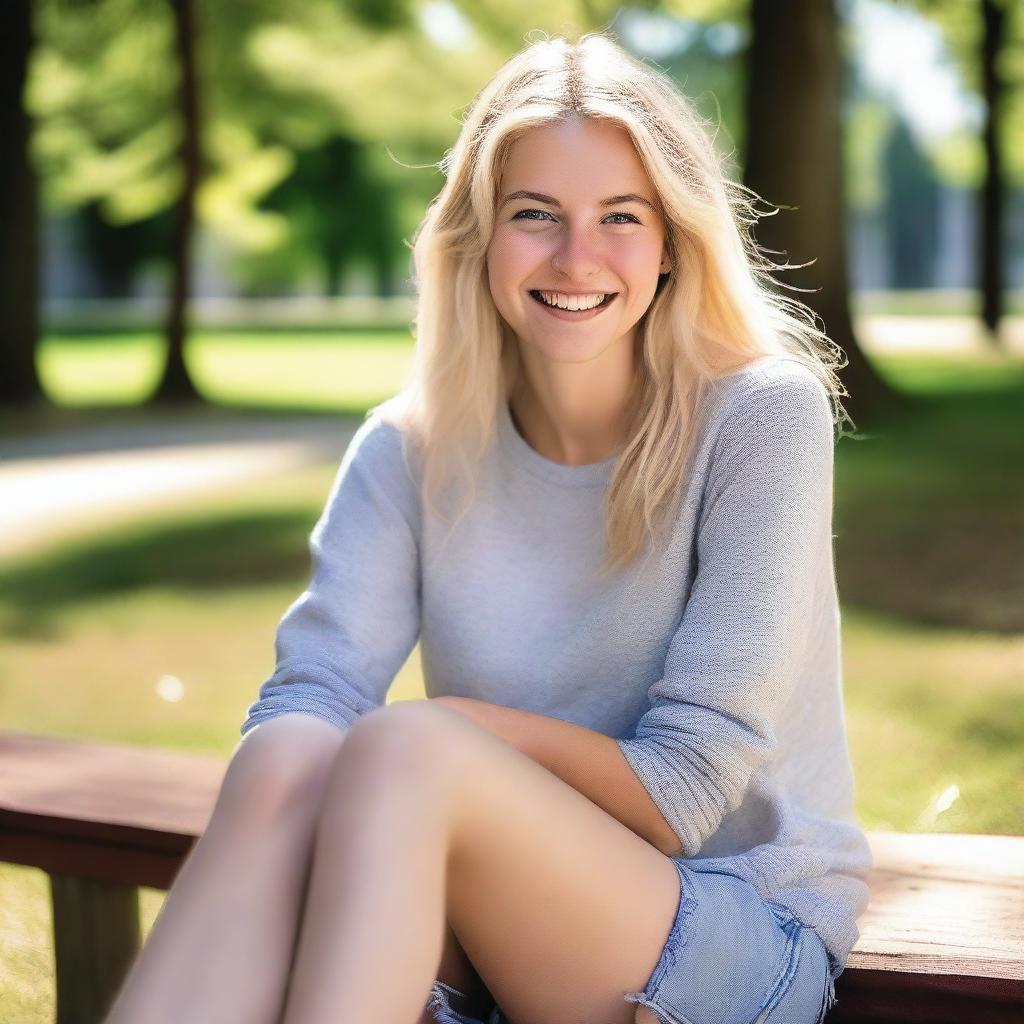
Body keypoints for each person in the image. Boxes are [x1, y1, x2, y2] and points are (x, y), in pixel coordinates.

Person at [102, 29, 872, 1024]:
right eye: (534, 214)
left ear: (673, 240)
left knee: (403, 750)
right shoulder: (408, 446)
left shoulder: (761, 414)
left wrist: (439, 734)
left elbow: (684, 792)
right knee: (293, 751)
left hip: (729, 921)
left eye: (620, 217)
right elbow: (317, 689)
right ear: (477, 234)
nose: (576, 256)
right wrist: (316, 766)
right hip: (487, 922)